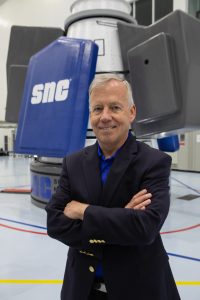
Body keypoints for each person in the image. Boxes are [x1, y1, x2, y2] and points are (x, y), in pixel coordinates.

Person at [45, 74, 181, 300]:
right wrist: (121, 219)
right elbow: (55, 223)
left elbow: (144, 228)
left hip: (137, 288)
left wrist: (83, 211)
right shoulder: (74, 162)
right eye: (97, 109)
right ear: (90, 115)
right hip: (83, 289)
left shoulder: (154, 162)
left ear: (131, 112)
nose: (105, 117)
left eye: (114, 107)